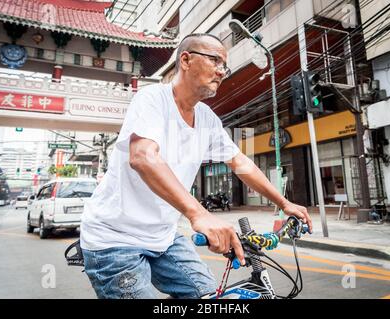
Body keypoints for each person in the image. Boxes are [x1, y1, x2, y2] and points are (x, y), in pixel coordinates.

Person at [80, 33, 312, 299]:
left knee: (209, 297)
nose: (221, 71)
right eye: (215, 60)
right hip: (114, 240)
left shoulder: (208, 120)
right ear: (186, 60)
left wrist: (284, 204)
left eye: (224, 65)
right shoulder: (152, 99)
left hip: (164, 239)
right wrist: (199, 214)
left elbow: (241, 163)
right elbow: (143, 157)